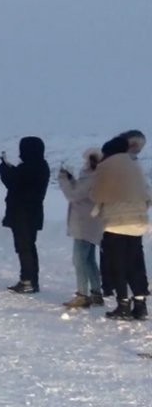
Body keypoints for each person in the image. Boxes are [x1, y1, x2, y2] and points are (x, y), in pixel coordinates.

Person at [90, 136, 150, 320]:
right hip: (138, 222)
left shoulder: (106, 166)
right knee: (136, 263)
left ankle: (123, 305)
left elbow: (97, 195)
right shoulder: (135, 166)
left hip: (116, 224)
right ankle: (140, 305)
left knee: (118, 264)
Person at [0, 136, 50, 294]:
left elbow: (13, 183)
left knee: (24, 247)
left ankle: (27, 280)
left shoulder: (29, 167)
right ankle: (31, 280)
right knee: (29, 247)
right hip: (32, 213)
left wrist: (4, 168)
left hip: (22, 214)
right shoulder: (39, 165)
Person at [57, 148, 105, 308]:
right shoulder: (96, 176)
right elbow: (79, 191)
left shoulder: (91, 177)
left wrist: (64, 179)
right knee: (89, 260)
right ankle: (96, 293)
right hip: (90, 223)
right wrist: (72, 180)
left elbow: (74, 195)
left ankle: (82, 294)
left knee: (79, 260)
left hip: (84, 224)